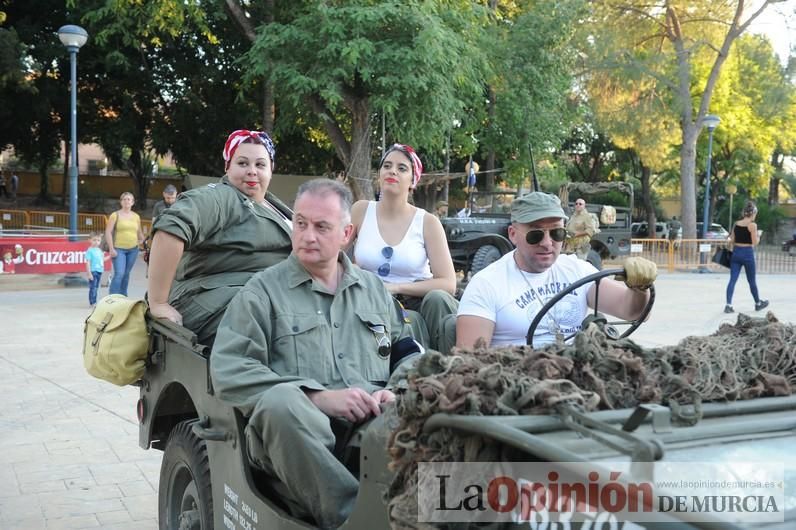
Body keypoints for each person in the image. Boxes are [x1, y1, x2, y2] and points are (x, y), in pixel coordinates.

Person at [210, 179, 422, 529]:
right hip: (294, 438)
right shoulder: (262, 292)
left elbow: (407, 350)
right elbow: (229, 370)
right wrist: (317, 397)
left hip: (370, 429)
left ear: (346, 233)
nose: (308, 236)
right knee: (281, 403)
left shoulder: (372, 290)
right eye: (301, 223)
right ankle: (353, 519)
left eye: (322, 227)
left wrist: (394, 391)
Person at [456, 192, 657, 349]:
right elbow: (470, 363)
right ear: (513, 234)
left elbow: (635, 312)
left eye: (557, 233)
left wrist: (640, 288)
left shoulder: (576, 271)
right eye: (535, 235)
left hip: (577, 374)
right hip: (517, 383)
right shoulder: (486, 284)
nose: (547, 243)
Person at [147, 129, 292, 345]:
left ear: (272, 169)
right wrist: (158, 303)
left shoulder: (273, 204)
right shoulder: (220, 197)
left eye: (260, 165)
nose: (252, 171)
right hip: (220, 300)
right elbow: (171, 228)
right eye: (242, 163)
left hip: (265, 297)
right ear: (228, 166)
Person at [350, 143, 458, 351]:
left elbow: (448, 283)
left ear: (413, 181)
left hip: (414, 300)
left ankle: (444, 364)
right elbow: (335, 255)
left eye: (402, 168)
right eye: (387, 166)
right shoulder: (361, 210)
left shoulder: (427, 222)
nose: (392, 171)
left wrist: (396, 287)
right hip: (369, 298)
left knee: (436, 300)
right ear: (379, 174)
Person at [724, 201, 769, 313]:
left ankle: (728, 305)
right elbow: (754, 242)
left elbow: (732, 240)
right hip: (747, 253)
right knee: (751, 281)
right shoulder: (752, 225)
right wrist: (758, 235)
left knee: (732, 280)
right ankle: (758, 303)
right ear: (753, 213)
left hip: (736, 253)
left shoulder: (736, 223)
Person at [105, 192, 145, 296]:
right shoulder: (115, 215)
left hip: (133, 249)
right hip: (119, 249)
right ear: (121, 202)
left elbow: (139, 232)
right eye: (124, 199)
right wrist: (111, 248)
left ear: (133, 202)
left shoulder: (136, 216)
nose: (127, 201)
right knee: (119, 273)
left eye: (129, 199)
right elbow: (108, 232)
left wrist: (143, 243)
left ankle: (123, 296)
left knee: (126, 274)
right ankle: (113, 296)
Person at [84, 232, 108, 307]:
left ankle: (94, 301)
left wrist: (110, 257)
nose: (96, 242)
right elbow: (87, 262)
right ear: (89, 240)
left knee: (96, 287)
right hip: (93, 271)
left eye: (98, 240)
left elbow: (102, 259)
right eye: (94, 240)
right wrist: (89, 273)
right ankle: (92, 302)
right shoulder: (89, 251)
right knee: (93, 287)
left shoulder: (99, 250)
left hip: (99, 271)